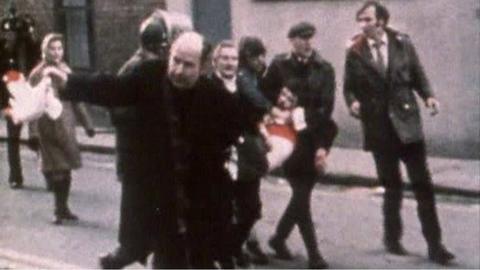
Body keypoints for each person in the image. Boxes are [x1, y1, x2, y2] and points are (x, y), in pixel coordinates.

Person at [44, 31, 240, 269]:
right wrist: (71, 82)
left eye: (188, 65)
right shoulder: (149, 74)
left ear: (203, 67)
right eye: (175, 60)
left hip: (197, 205)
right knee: (166, 258)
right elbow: (113, 88)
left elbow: (236, 137)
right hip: (159, 199)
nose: (178, 70)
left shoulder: (216, 98)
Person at [343, 1, 454, 265]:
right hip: (379, 128)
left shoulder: (403, 43)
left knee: (423, 186)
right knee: (391, 186)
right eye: (360, 20)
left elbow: (418, 75)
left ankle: (435, 245)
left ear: (381, 22)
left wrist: (429, 97)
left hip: (407, 125)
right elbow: (348, 87)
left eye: (367, 20)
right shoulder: (355, 51)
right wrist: (353, 103)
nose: (362, 25)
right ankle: (392, 238)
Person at [100, 10, 193, 269]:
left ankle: (136, 255)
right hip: (137, 156)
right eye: (158, 47)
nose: (160, 51)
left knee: (158, 222)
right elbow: (118, 111)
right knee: (145, 220)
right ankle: (120, 258)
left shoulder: (162, 67)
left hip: (156, 157)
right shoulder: (134, 69)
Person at [261, 21, 337, 269]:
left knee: (302, 192)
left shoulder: (324, 69)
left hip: (316, 136)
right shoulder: (279, 65)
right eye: (301, 38)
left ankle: (278, 238)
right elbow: (265, 95)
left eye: (310, 38)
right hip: (289, 137)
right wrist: (279, 110)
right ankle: (314, 254)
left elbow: (326, 107)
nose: (307, 43)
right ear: (291, 40)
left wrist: (321, 147)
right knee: (301, 193)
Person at [27, 33, 95, 225]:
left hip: (66, 125)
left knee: (66, 168)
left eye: (59, 48)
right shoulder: (37, 74)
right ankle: (58, 210)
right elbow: (33, 105)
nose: (56, 53)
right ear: (44, 50)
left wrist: (87, 124)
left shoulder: (66, 70)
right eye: (52, 48)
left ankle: (64, 208)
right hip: (47, 126)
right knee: (58, 169)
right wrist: (32, 132)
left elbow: (77, 100)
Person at [235, 36, 271, 266]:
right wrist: (272, 110)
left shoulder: (254, 74)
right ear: (247, 57)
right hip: (242, 145)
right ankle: (241, 244)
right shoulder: (243, 77)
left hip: (252, 143)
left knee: (248, 197)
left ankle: (249, 241)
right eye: (257, 56)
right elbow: (257, 101)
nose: (261, 60)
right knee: (245, 199)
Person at [0, 8, 40, 189]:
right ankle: (15, 176)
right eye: (7, 33)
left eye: (13, 33)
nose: (10, 37)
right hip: (12, 99)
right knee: (13, 139)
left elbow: (38, 61)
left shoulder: (30, 49)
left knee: (38, 137)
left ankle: (47, 173)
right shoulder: (3, 53)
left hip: (31, 95)